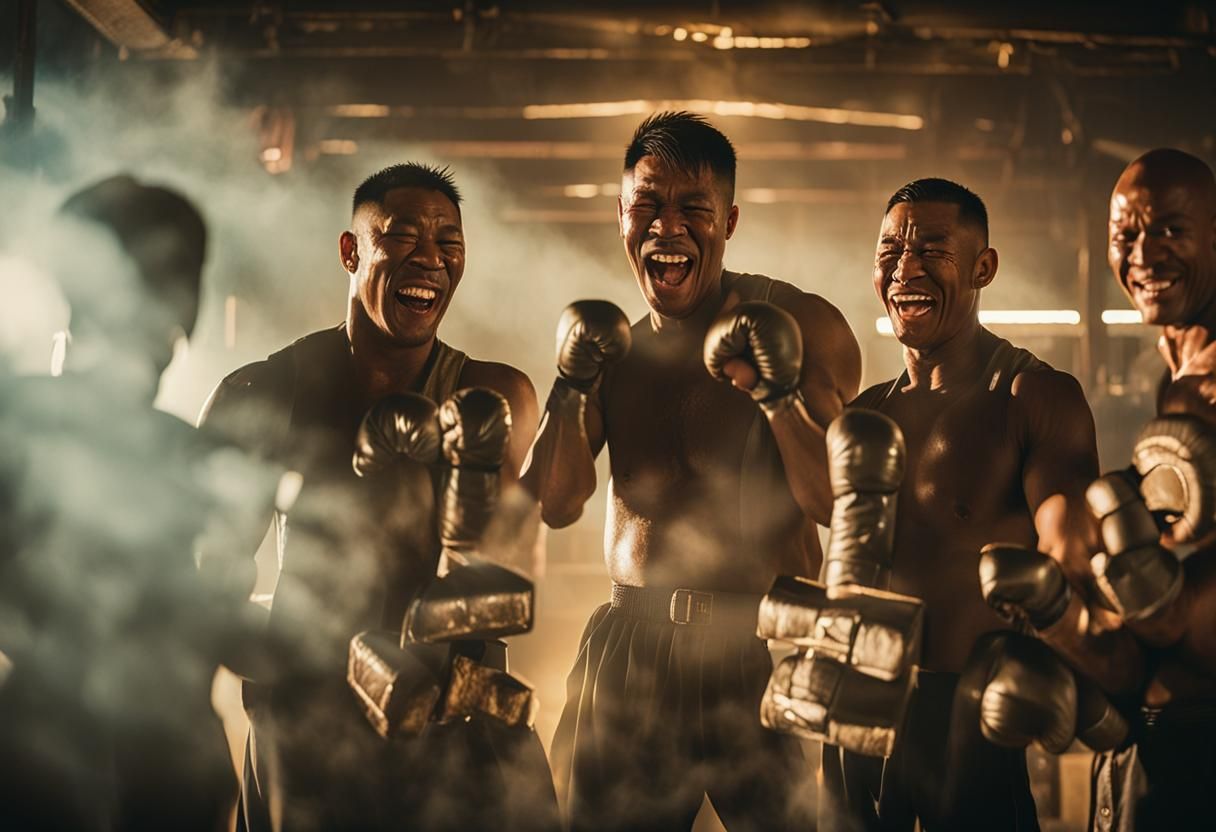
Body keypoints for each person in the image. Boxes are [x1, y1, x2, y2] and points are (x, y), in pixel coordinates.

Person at [523, 111, 861, 831]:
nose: (665, 227)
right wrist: (569, 384)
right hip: (631, 641)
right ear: (620, 215)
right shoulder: (612, 349)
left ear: (729, 220)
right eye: (645, 206)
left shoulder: (802, 322)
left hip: (762, 642)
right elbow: (556, 504)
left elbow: (841, 504)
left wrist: (777, 394)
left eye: (691, 209)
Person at [198, 162, 555, 831]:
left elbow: (512, 569)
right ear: (350, 250)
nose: (431, 259)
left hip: (461, 713)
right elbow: (209, 564)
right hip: (311, 725)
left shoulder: (495, 395)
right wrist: (282, 661)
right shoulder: (267, 391)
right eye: (405, 237)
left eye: (449, 243)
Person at [820, 177, 1115, 831]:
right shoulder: (867, 414)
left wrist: (1061, 623)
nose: (906, 268)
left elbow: (1066, 536)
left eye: (931, 248)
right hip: (860, 707)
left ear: (984, 266)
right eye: (890, 250)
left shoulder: (1032, 396)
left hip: (972, 712)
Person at [0, 175, 246, 831]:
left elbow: (239, 637)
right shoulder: (17, 423)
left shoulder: (193, 456)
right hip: (46, 770)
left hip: (170, 776)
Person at [1090, 148, 1216, 832]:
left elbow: (1173, 610)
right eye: (1126, 235)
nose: (1143, 254)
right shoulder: (1176, 373)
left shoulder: (1207, 386)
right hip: (1162, 730)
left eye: (1170, 230)